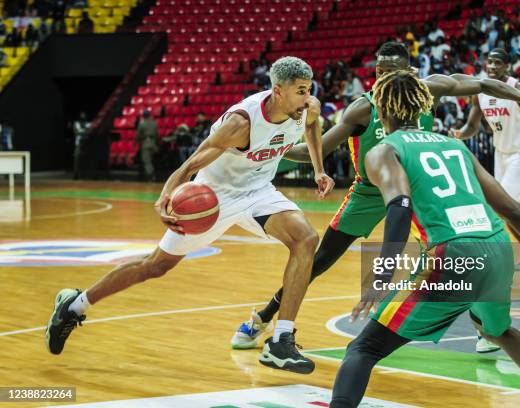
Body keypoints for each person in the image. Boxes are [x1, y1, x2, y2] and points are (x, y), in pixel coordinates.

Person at [229, 42, 520, 355]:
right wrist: (267, 148)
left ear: (410, 73)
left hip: (416, 189)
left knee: (456, 253)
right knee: (318, 261)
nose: (384, 79)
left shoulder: (428, 89)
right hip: (369, 192)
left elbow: (482, 84)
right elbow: (318, 148)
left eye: (392, 73)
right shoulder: (363, 107)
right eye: (379, 72)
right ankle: (263, 318)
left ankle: (482, 326)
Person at [44, 56, 335, 374]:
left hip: (258, 192)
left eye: (309, 90)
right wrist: (168, 192)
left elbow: (311, 128)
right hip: (213, 196)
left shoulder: (308, 108)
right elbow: (193, 162)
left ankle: (281, 341)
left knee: (306, 239)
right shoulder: (242, 122)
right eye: (300, 91)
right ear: (278, 91)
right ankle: (74, 305)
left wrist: (319, 169)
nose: (307, 98)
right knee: (153, 267)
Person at [329, 68, 520, 408]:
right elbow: (516, 212)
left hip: (452, 254)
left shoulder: (383, 151)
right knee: (499, 331)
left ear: (382, 109)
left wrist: (381, 276)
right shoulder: (456, 147)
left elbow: (400, 207)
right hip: (496, 249)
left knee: (363, 348)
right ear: (422, 105)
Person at [451, 48, 520, 274]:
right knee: (506, 208)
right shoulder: (480, 92)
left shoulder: (519, 88)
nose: (492, 66)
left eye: (497, 63)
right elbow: (472, 126)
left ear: (507, 67)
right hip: (501, 155)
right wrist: (460, 133)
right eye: (489, 62)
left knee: (503, 205)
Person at [136, 109, 159, 182]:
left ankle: (151, 177)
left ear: (143, 116)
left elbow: (138, 135)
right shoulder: (154, 123)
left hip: (145, 143)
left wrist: (137, 142)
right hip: (153, 143)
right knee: (151, 161)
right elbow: (157, 135)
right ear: (149, 115)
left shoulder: (142, 123)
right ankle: (152, 176)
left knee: (147, 162)